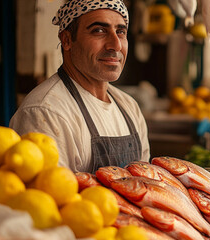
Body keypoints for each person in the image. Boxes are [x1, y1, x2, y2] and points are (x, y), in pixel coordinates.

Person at [9, 0, 150, 173]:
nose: (116, 45)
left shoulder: (129, 108)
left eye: (120, 32)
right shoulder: (44, 113)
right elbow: (53, 192)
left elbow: (144, 181)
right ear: (67, 40)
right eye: (99, 31)